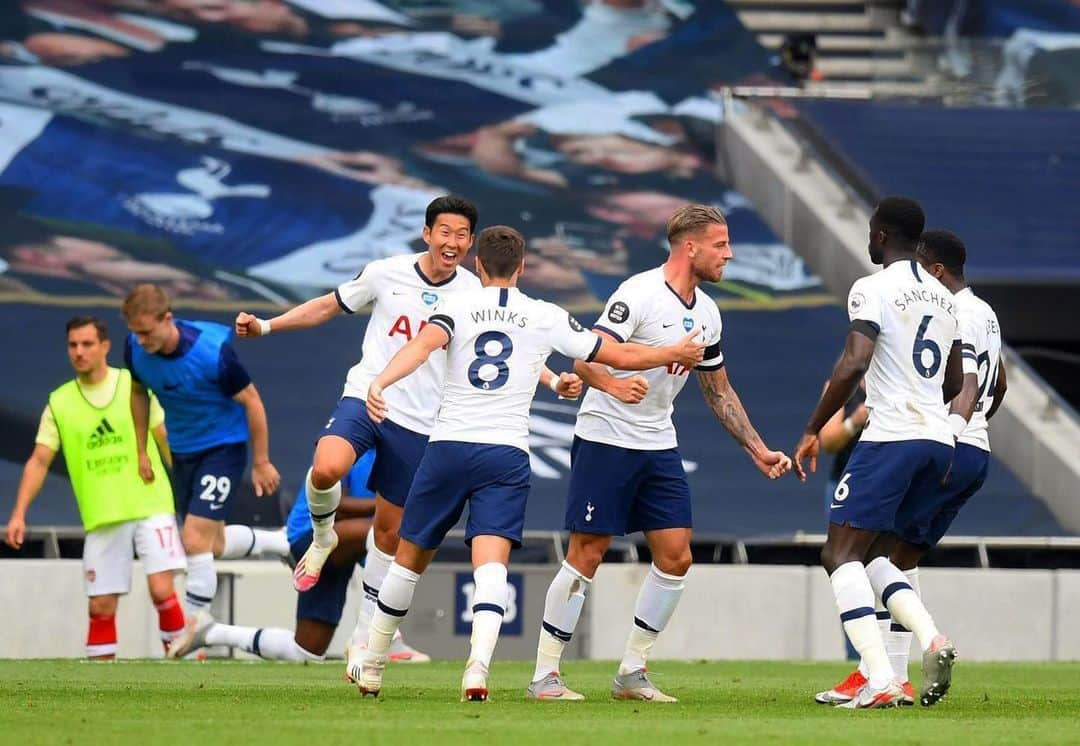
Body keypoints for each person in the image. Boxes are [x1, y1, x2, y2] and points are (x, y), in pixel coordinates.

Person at [348, 224, 705, 701]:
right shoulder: (544, 315)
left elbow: (420, 347)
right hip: (505, 454)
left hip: (448, 446)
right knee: (491, 568)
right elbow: (610, 351)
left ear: (478, 265)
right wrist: (669, 353)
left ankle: (371, 664)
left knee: (408, 561)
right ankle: (477, 670)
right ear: (521, 267)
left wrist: (380, 383)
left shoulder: (454, 306)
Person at [233, 196, 579, 668]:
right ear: (426, 233)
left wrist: (556, 380)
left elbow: (515, 349)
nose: (451, 242)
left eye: (461, 235)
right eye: (444, 232)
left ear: (471, 244)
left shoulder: (475, 294)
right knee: (327, 467)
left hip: (421, 423)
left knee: (391, 535)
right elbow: (327, 306)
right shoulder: (385, 273)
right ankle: (322, 538)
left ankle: (363, 639)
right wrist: (268, 326)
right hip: (369, 396)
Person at [526, 204, 792, 703]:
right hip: (607, 435)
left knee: (676, 556)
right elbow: (584, 355)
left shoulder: (707, 313)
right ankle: (545, 675)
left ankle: (632, 670)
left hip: (658, 441)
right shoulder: (639, 294)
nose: (729, 254)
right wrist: (613, 385)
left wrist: (757, 448)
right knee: (588, 553)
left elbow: (718, 390)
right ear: (690, 246)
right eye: (721, 244)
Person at [792, 198, 979, 709]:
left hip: (891, 436)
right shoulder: (945, 299)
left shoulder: (871, 288)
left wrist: (813, 428)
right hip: (939, 443)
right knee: (876, 555)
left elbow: (855, 361)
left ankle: (880, 677)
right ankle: (932, 638)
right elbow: (957, 381)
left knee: (838, 554)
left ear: (878, 235)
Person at [3, 316, 186, 658]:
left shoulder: (134, 385)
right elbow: (39, 460)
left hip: (152, 504)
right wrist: (18, 514)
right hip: (103, 515)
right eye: (73, 345)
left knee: (162, 589)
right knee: (100, 605)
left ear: (105, 347)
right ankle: (101, 686)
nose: (79, 352)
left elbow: (166, 440)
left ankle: (191, 668)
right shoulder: (60, 402)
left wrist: (188, 495)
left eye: (87, 344)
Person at [122, 284, 282, 649]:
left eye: (147, 332)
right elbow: (137, 392)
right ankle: (282, 541)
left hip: (223, 449)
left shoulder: (213, 354)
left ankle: (194, 624)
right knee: (213, 544)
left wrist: (260, 461)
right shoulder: (134, 349)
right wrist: (141, 450)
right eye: (136, 332)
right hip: (181, 453)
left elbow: (253, 402)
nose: (141, 340)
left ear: (168, 319)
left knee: (193, 539)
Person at [168, 453, 384, 661]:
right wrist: (387, 509)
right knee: (380, 530)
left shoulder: (402, 452)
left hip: (340, 557)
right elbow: (337, 506)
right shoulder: (350, 441)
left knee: (306, 652)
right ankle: (371, 640)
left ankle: (210, 632)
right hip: (310, 536)